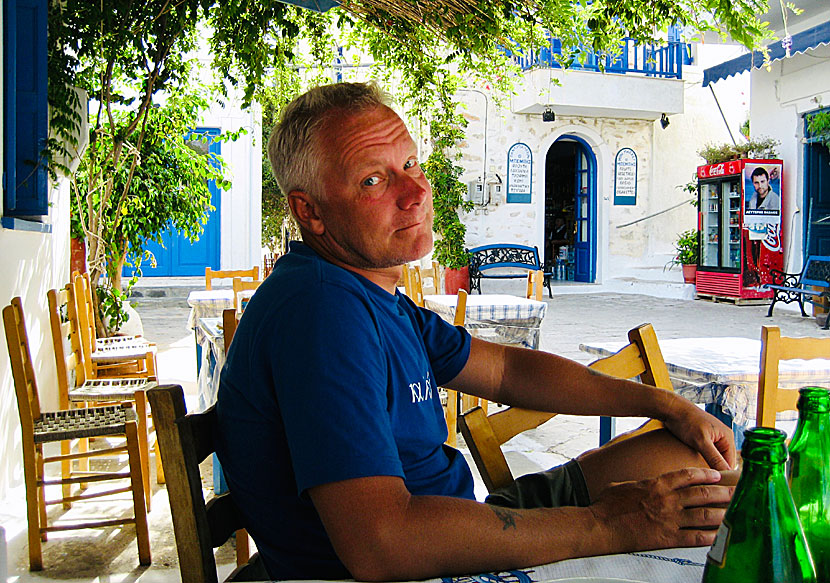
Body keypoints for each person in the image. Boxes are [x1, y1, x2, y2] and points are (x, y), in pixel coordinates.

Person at [215, 82, 736, 582]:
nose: (417, 191)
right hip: (421, 561)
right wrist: (612, 523)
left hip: (462, 521)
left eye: (411, 164)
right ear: (310, 212)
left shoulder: (371, 295)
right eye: (374, 180)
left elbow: (508, 369)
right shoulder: (321, 311)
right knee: (693, 510)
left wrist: (665, 405)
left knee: (693, 459)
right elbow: (382, 544)